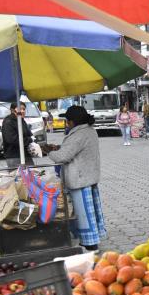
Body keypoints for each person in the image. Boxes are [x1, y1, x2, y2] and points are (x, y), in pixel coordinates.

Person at [46, 105, 106, 252]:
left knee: (83, 213)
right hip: (88, 177)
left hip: (80, 180)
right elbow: (73, 150)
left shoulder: (79, 135)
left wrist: (48, 151)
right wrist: (58, 148)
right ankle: (91, 241)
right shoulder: (89, 131)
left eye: (67, 120)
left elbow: (63, 156)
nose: (67, 123)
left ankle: (90, 245)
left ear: (73, 121)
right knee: (90, 212)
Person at [2, 102, 34, 168]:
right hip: (14, 156)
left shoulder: (21, 120)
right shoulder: (8, 122)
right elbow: (11, 139)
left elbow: (28, 133)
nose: (22, 111)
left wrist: (32, 139)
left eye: (24, 109)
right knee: (18, 176)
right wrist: (29, 139)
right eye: (20, 109)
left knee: (31, 175)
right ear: (12, 110)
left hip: (26, 154)